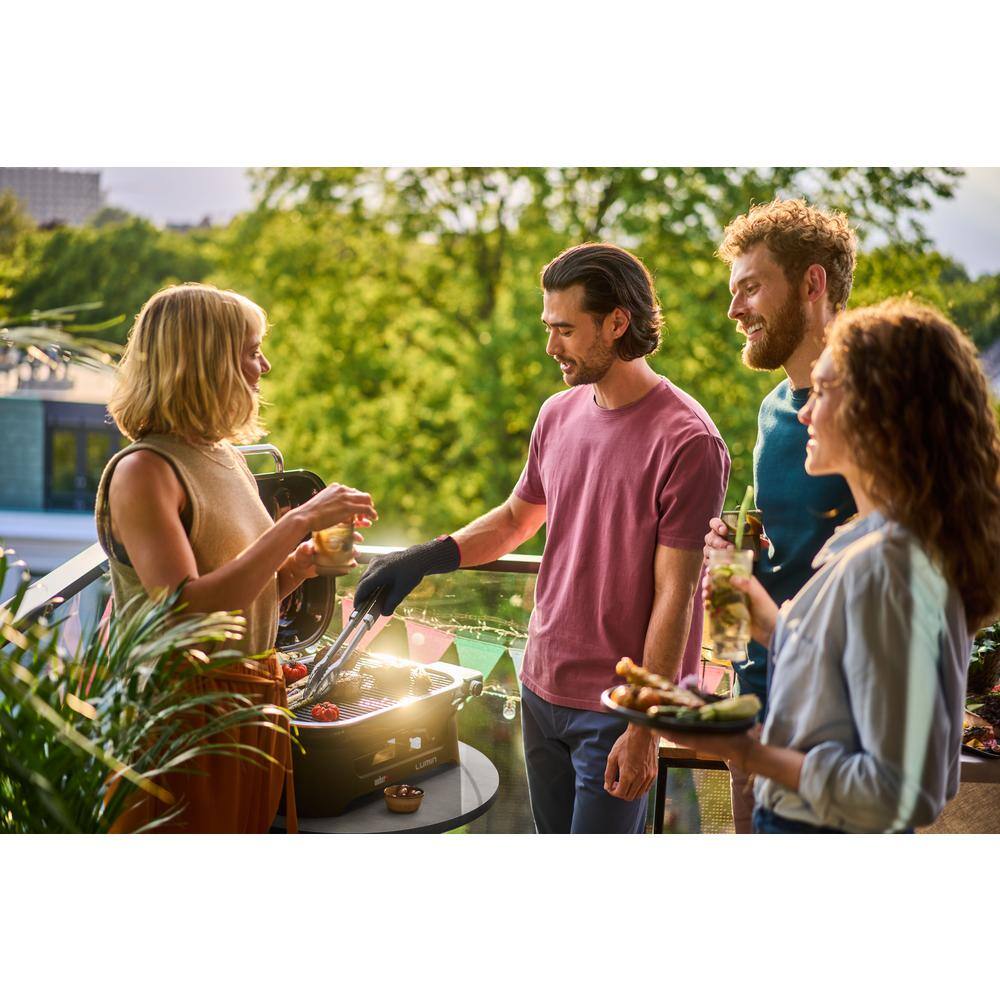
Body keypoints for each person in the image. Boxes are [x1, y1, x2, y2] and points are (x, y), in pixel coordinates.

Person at [355, 243, 730, 833]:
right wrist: (426, 557)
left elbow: (675, 595)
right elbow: (514, 520)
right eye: (547, 327)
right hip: (540, 687)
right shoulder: (557, 414)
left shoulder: (689, 440)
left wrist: (643, 727)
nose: (551, 346)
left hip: (617, 708)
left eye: (565, 330)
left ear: (617, 323)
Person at [668, 300, 1000, 833]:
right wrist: (769, 623)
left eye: (823, 392)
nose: (803, 413)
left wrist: (747, 751)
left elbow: (903, 792)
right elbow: (847, 674)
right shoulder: (875, 543)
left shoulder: (890, 566)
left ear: (881, 411)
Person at [94, 283, 377, 833]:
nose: (264, 366)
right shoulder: (144, 471)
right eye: (252, 351)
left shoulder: (224, 456)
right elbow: (188, 610)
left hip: (250, 704)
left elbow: (241, 599)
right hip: (181, 719)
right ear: (205, 360)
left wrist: (298, 566)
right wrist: (297, 522)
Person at [705, 198, 859, 832]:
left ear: (812, 284)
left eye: (750, 288)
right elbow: (791, 549)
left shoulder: (874, 404)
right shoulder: (773, 409)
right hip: (754, 695)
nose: (734, 310)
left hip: (833, 717)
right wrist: (736, 555)